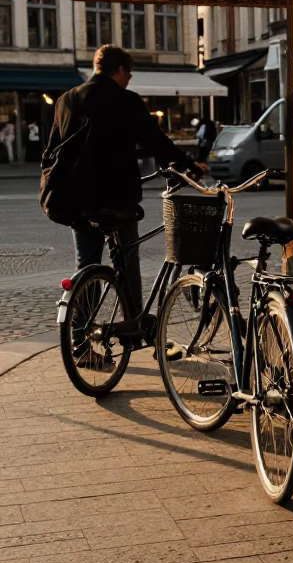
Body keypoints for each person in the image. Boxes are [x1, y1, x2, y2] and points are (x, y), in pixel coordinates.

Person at [43, 44, 203, 365]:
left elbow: (50, 151)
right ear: (119, 71)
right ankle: (133, 333)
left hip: (76, 201)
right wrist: (188, 164)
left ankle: (81, 345)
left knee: (86, 267)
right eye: (129, 74)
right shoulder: (125, 100)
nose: (129, 80)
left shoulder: (67, 100)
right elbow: (154, 140)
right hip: (116, 200)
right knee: (127, 261)